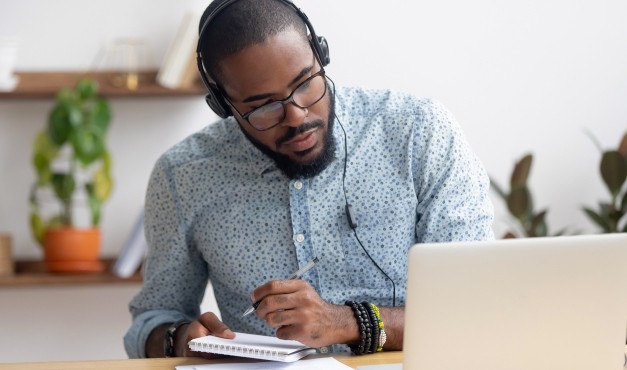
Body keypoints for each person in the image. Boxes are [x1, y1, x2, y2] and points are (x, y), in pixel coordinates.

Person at [124, 0, 494, 359]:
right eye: (263, 106)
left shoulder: (420, 133)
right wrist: (179, 338)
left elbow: (475, 308)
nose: (298, 116)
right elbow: (150, 323)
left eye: (305, 83)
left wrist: (348, 322)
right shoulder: (182, 175)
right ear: (223, 106)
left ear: (321, 54)